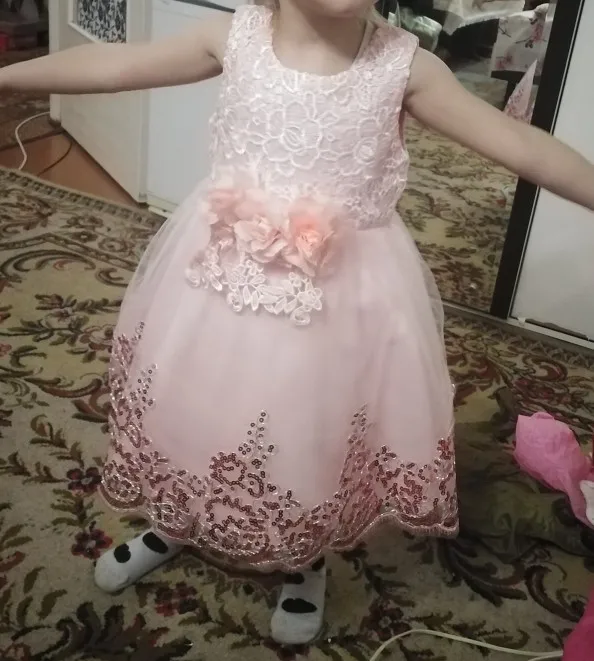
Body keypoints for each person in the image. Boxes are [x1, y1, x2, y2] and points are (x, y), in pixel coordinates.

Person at [1, 0, 593, 647]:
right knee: (195, 402)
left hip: (333, 304)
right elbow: (114, 65)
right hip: (217, 282)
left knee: (307, 428)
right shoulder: (230, 36)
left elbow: (518, 142)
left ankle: (304, 556)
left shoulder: (405, 67)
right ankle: (174, 518)